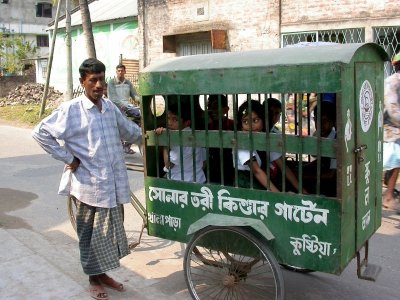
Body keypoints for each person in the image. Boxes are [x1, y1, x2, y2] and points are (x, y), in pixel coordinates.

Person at [32, 58, 142, 300]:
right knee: (91, 236)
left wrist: (153, 134)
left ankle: (102, 274)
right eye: (93, 80)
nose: (99, 85)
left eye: (102, 79)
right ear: (83, 82)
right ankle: (93, 279)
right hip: (88, 186)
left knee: (109, 235)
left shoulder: (110, 107)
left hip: (111, 185)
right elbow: (40, 132)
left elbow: (130, 132)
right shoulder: (71, 110)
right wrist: (68, 157)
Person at [235, 100, 304, 193]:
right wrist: (280, 196)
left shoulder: (265, 139)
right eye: (246, 122)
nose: (251, 126)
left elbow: (283, 166)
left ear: (263, 121)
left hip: (261, 182)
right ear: (241, 125)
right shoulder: (242, 142)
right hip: (246, 185)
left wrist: (302, 191)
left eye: (255, 120)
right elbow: (257, 171)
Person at [155, 101, 206, 183]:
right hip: (198, 180)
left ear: (187, 122)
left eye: (175, 119)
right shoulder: (194, 134)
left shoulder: (181, 138)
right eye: (168, 118)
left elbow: (168, 165)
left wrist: (165, 141)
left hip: (181, 183)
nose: (169, 123)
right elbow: (204, 162)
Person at [303, 97, 337, 197]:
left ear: (333, 122)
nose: (321, 125)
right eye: (318, 120)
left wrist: (306, 176)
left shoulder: (335, 140)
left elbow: (331, 174)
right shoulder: (317, 135)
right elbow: (322, 161)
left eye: (325, 121)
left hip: (333, 188)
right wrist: (304, 168)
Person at [107, 64, 140, 154]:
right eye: (119, 71)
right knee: (119, 124)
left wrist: (140, 101)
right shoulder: (111, 82)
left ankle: (127, 143)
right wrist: (122, 105)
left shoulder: (128, 83)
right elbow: (112, 98)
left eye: (122, 70)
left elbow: (134, 95)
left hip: (127, 106)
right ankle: (120, 144)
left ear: (125, 71)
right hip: (115, 107)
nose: (120, 72)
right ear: (116, 72)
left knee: (140, 117)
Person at [382, 52, 400, 213]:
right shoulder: (392, 82)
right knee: (395, 161)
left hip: (396, 129)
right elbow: (392, 108)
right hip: (390, 130)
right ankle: (388, 196)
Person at [207, 94, 234, 185]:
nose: (211, 110)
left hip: (229, 171)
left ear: (226, 109)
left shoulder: (233, 125)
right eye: (209, 106)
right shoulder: (204, 127)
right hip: (210, 171)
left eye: (216, 106)